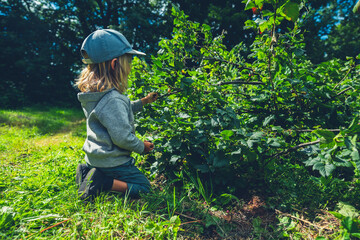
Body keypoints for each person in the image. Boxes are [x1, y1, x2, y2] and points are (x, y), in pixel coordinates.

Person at [75, 29, 158, 201]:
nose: (130, 66)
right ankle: (101, 181)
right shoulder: (113, 99)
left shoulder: (94, 95)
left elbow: (116, 114)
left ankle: (87, 172)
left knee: (134, 183)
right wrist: (141, 147)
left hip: (95, 157)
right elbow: (122, 138)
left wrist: (143, 101)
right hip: (112, 161)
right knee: (144, 188)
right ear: (115, 64)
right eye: (128, 62)